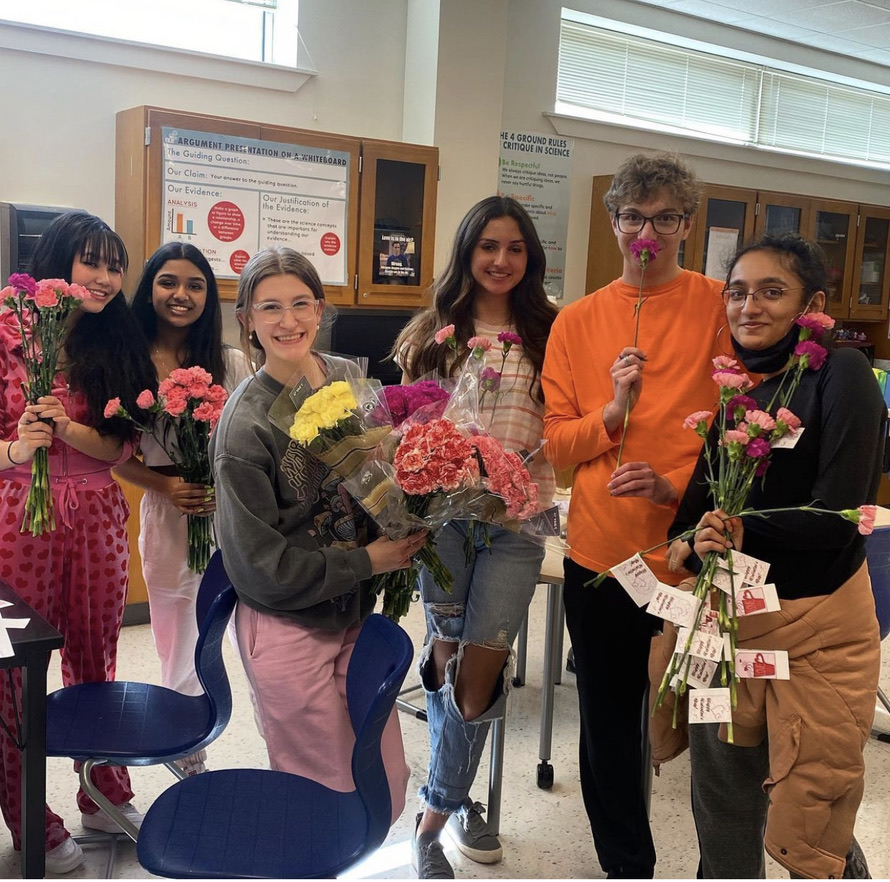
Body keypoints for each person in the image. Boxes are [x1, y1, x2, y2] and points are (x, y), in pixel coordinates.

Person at [662, 235, 884, 879]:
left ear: (812, 304)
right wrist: (694, 543)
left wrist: (739, 528)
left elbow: (836, 520)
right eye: (737, 291)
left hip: (814, 633)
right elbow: (684, 527)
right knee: (725, 807)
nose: (748, 306)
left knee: (808, 813)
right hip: (729, 629)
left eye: (770, 291)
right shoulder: (739, 402)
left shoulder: (841, 375)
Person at [541, 152, 726, 878]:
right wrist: (612, 415)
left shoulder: (719, 305)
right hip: (602, 556)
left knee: (711, 723)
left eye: (666, 218)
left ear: (687, 223)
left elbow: (744, 427)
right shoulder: (578, 322)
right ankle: (627, 867)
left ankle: (726, 860)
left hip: (698, 556)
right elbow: (558, 443)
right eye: (634, 217)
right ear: (614, 223)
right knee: (609, 723)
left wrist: (675, 487)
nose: (648, 232)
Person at [210, 247, 417, 820]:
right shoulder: (245, 427)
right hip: (287, 622)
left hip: (352, 612)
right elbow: (259, 569)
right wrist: (368, 561)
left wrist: (412, 486)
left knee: (385, 779)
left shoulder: (345, 378)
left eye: (301, 303)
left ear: (320, 310)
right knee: (321, 793)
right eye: (269, 308)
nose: (288, 321)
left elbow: (370, 480)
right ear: (247, 320)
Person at [395, 195, 559, 879]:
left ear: (530, 257)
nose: (500, 260)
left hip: (517, 526)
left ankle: (433, 815)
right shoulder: (434, 332)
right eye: (487, 246)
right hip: (446, 525)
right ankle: (459, 804)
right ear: (468, 252)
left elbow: (571, 423)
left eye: (514, 247)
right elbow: (405, 426)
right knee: (447, 658)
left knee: (479, 674)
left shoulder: (554, 331)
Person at [0, 210, 156, 873]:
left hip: (95, 513)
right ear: (59, 261)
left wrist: (66, 428)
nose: (103, 275)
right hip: (16, 514)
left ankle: (104, 794)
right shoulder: (7, 334)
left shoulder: (119, 346)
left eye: (115, 265)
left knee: (96, 659)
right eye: (91, 260)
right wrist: (17, 445)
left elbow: (121, 448)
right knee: (17, 676)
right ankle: (28, 815)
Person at [114, 242, 251, 776]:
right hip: (166, 512)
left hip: (226, 513)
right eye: (169, 282)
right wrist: (167, 488)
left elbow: (246, 443)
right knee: (177, 632)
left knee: (225, 629)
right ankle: (185, 740)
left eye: (196, 285)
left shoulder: (230, 361)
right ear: (150, 289)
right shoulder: (128, 365)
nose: (181, 294)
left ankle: (209, 721)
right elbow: (115, 459)